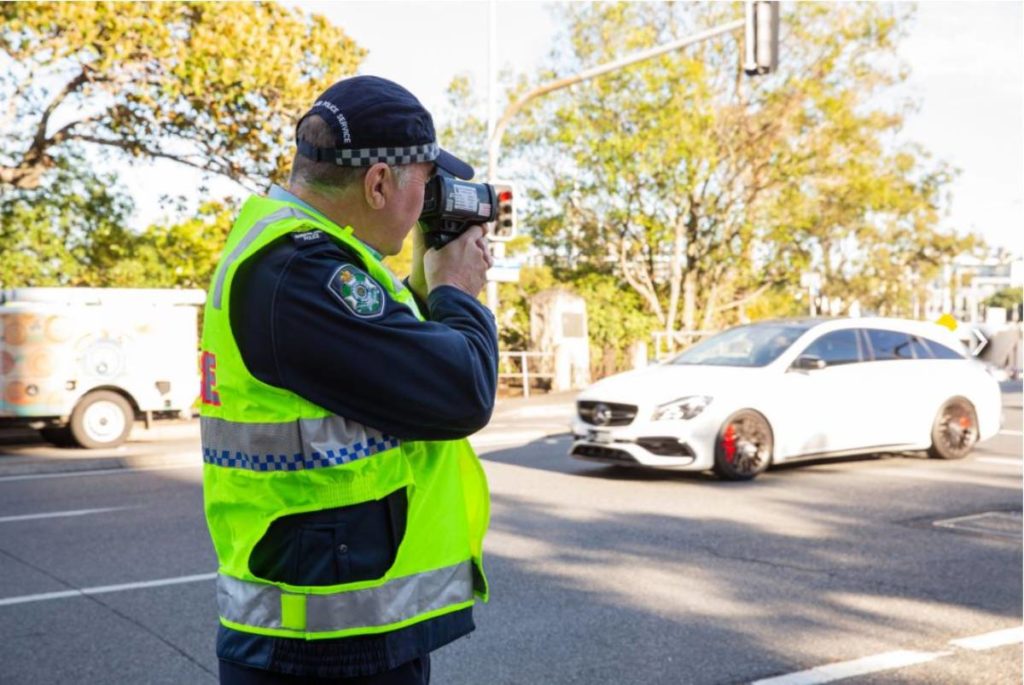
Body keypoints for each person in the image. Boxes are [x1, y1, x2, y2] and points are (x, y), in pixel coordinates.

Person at [199, 75, 497, 685]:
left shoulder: (310, 259)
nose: (430, 201)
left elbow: (394, 376)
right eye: (425, 182)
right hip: (322, 645)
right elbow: (459, 392)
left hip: (337, 621)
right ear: (379, 182)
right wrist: (456, 290)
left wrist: (423, 282)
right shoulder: (302, 272)